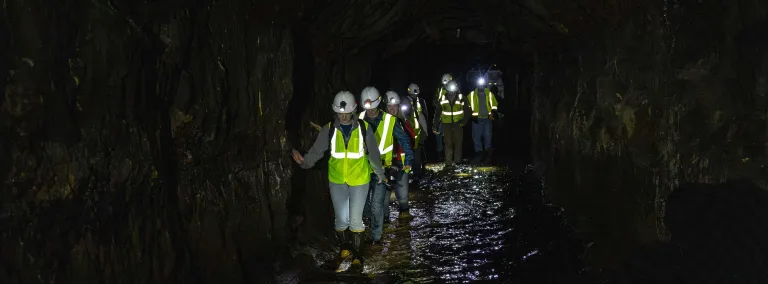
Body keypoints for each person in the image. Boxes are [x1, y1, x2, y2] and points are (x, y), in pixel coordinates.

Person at [291, 91, 385, 273]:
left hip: (359, 179)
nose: (343, 116)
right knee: (341, 220)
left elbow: (373, 153)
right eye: (340, 113)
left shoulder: (364, 128)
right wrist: (305, 162)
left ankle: (358, 257)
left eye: (346, 113)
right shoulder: (329, 129)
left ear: (353, 110)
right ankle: (345, 248)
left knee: (356, 220)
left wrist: (379, 173)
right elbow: (317, 151)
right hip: (337, 180)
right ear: (335, 111)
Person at [358, 87, 413, 244]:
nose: (369, 111)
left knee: (377, 204)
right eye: (366, 107)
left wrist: (408, 159)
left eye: (372, 107)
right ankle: (375, 224)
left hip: (382, 169)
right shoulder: (359, 118)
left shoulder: (390, 121)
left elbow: (403, 139)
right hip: (363, 169)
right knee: (365, 206)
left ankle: (376, 237)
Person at [384, 91, 415, 219]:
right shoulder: (381, 124)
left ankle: (404, 221)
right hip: (385, 164)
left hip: (402, 163)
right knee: (383, 197)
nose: (392, 109)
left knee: (403, 195)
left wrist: (408, 160)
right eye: (390, 107)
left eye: (395, 107)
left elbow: (412, 140)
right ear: (385, 108)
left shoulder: (404, 123)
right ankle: (384, 223)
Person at [432, 80, 470, 167]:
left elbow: (467, 111)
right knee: (448, 143)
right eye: (449, 90)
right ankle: (448, 162)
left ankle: (457, 161)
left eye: (452, 90)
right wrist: (435, 125)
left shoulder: (461, 97)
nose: (451, 92)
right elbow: (437, 114)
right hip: (447, 124)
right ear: (447, 90)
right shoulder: (442, 98)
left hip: (458, 123)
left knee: (458, 142)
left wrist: (463, 122)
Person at [468, 76, 499, 155]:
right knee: (476, 137)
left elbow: (494, 104)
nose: (481, 86)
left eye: (482, 84)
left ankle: (488, 151)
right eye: (479, 84)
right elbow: (466, 106)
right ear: (477, 85)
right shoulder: (471, 95)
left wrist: (492, 112)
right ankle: (478, 152)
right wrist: (470, 114)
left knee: (488, 136)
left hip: (487, 119)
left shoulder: (489, 94)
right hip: (476, 119)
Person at [405, 83, 429, 178]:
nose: (414, 96)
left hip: (418, 131)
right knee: (409, 152)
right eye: (412, 94)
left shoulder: (421, 102)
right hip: (409, 132)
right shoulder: (405, 102)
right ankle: (409, 171)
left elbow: (424, 117)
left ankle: (418, 172)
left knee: (418, 152)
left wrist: (425, 132)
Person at [433, 73, 453, 160]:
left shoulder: (454, 89)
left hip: (451, 117)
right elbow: (434, 101)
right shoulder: (439, 90)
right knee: (439, 135)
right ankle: (439, 153)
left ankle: (449, 153)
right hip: (441, 117)